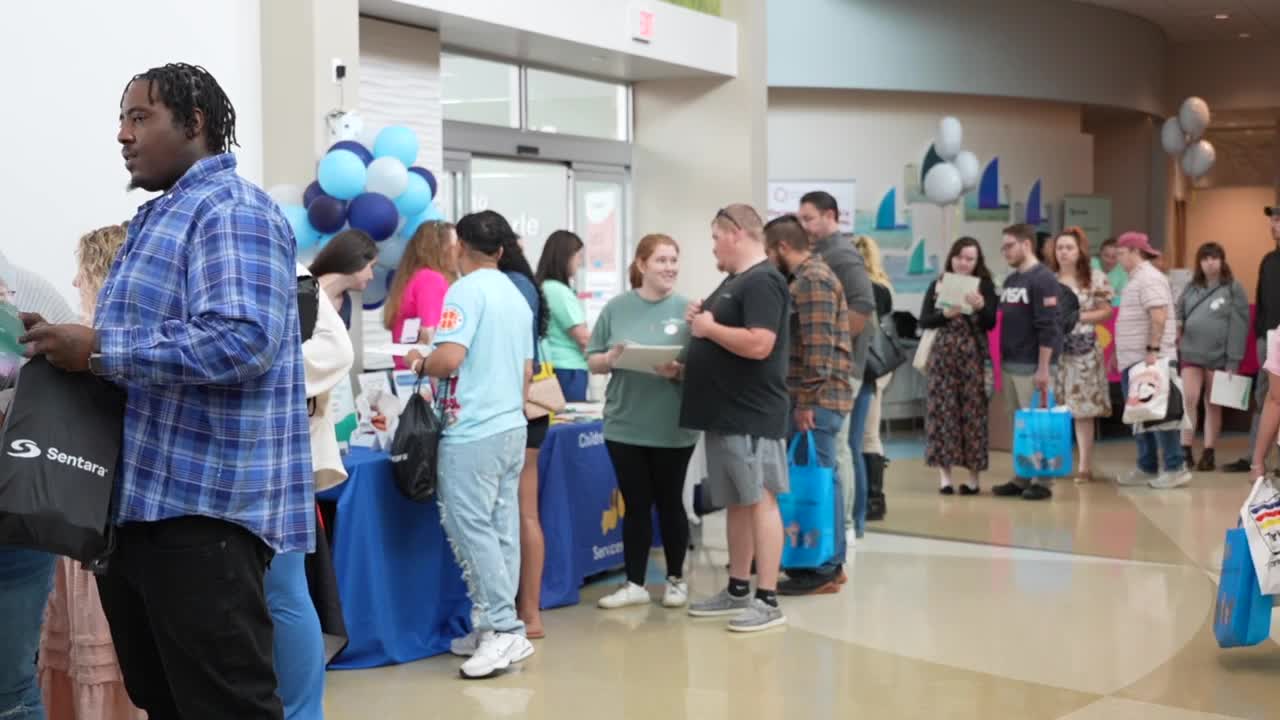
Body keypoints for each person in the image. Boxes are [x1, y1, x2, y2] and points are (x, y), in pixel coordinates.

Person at [21, 63, 312, 719]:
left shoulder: (230, 211)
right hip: (143, 514)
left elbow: (243, 339)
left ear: (194, 122)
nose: (123, 135)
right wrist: (68, 349)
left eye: (139, 117)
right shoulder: (164, 216)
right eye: (121, 120)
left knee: (225, 706)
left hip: (201, 514)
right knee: (167, 701)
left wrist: (99, 350)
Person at [405, 210, 535, 679]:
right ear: (500, 250)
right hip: (510, 426)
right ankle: (495, 625)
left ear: (460, 247)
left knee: (471, 529)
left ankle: (502, 628)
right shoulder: (518, 295)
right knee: (500, 529)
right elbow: (525, 370)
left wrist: (420, 361)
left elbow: (449, 358)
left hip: (473, 431)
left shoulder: (464, 292)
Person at [38, 224, 144, 720]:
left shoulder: (90, 345)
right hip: (96, 515)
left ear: (99, 272)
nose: (74, 282)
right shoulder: (131, 341)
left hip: (87, 517)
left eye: (81, 271)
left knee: (99, 646)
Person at [682, 204, 790, 633]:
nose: (713, 247)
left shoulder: (763, 280)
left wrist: (709, 329)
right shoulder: (735, 281)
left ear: (736, 233)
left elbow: (760, 344)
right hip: (725, 413)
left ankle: (768, 598)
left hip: (752, 413)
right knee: (739, 503)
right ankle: (738, 587)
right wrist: (701, 323)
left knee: (760, 499)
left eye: (715, 237)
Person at [588, 234, 699, 610]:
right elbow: (593, 359)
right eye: (661, 260)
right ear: (641, 264)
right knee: (635, 505)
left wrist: (678, 371)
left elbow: (703, 369)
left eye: (673, 260)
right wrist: (611, 358)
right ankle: (634, 582)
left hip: (672, 426)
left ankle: (676, 579)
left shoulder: (689, 311)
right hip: (625, 425)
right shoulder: (616, 308)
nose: (670, 268)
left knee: (670, 503)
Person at [1, 254, 75, 720]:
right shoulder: (34, 289)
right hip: (26, 502)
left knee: (12, 689)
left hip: (19, 515)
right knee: (12, 688)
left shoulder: (27, 293)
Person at [764, 217, 853, 596]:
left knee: (816, 482)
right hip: (814, 399)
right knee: (821, 479)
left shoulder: (813, 280)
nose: (767, 259)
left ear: (782, 247)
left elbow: (819, 350)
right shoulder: (806, 278)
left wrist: (806, 402)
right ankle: (829, 562)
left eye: (768, 251)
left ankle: (821, 569)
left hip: (817, 401)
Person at [796, 192, 875, 549]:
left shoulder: (841, 255)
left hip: (842, 369)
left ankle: (847, 524)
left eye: (809, 219)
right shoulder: (819, 255)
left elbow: (863, 306)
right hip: (829, 368)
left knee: (841, 447)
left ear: (831, 216)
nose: (804, 226)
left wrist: (832, 346)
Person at [495, 232, 551, 639]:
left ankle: (527, 612)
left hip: (515, 408)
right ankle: (526, 612)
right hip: (524, 408)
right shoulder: (525, 285)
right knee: (520, 512)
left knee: (520, 513)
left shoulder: (508, 287)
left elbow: (519, 361)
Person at [920, 237, 999, 494]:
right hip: (942, 358)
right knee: (942, 413)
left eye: (969, 259)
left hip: (972, 358)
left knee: (974, 414)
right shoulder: (938, 283)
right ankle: (945, 478)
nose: (963, 263)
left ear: (977, 261)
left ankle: (974, 479)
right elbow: (924, 320)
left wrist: (981, 306)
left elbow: (990, 323)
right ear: (951, 258)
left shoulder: (985, 286)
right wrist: (945, 314)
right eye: (959, 257)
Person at [1112, 232, 1189, 489]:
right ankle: (1147, 466)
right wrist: (1118, 353)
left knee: (1161, 416)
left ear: (1135, 251)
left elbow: (1159, 316)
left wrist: (1153, 350)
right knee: (1141, 417)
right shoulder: (1136, 279)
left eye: (1121, 253)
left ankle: (1175, 467)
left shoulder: (1149, 278)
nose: (1117, 258)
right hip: (1133, 359)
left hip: (1150, 360)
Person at [992, 223, 1062, 501]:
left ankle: (1043, 480)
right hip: (1011, 363)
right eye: (1003, 247)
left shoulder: (1043, 279)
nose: (1005, 252)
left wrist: (1044, 368)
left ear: (1026, 244)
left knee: (1038, 424)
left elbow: (1049, 326)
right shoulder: (1011, 281)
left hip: (1034, 365)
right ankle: (1022, 475)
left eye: (1009, 246)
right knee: (1019, 425)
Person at [1047, 227, 1113, 483]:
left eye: (1069, 248)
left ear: (1079, 251)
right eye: (1059, 247)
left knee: (1083, 410)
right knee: (1055, 407)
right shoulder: (1048, 279)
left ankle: (1085, 465)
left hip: (1084, 350)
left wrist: (1077, 317)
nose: (1063, 252)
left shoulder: (1094, 278)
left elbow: (1106, 311)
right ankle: (1053, 462)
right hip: (1054, 352)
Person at [1177, 242, 1248, 471]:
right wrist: (1178, 326)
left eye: (1215, 258)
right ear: (1199, 262)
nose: (1210, 263)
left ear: (1222, 261)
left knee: (1213, 404)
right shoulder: (1191, 287)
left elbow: (1239, 326)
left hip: (1218, 356)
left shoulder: (1233, 288)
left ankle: (1209, 451)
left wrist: (1233, 360)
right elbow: (1179, 312)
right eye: (1205, 258)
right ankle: (1185, 449)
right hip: (1190, 351)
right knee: (1189, 399)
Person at [1224, 206, 1280, 473]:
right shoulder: (1268, 260)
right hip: (1269, 338)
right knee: (1265, 396)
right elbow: (1262, 299)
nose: (1274, 225)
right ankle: (1255, 457)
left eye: (1279, 220)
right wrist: (1260, 334)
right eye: (1273, 220)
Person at [854, 234, 893, 521]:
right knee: (870, 433)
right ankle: (874, 498)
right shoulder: (884, 288)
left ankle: (872, 498)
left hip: (866, 367)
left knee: (866, 435)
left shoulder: (862, 290)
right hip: (879, 367)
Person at [384, 220, 457, 369]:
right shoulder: (430, 279)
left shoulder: (411, 277)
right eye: (454, 247)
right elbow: (431, 332)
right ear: (441, 249)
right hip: (425, 372)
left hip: (408, 369)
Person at [535, 230, 590, 401]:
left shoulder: (544, 286)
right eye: (578, 257)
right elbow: (583, 338)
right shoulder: (558, 291)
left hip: (554, 366)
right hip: (568, 369)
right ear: (565, 257)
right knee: (571, 415)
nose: (579, 263)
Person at [309, 228, 378, 328]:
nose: (371, 276)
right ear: (355, 259)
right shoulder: (302, 295)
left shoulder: (345, 303)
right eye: (371, 267)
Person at [1092, 237, 1128, 307]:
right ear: (1100, 253)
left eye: (1114, 257)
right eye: (1106, 255)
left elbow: (1122, 297)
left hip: (1109, 307)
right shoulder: (1090, 264)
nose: (1109, 260)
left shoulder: (1122, 272)